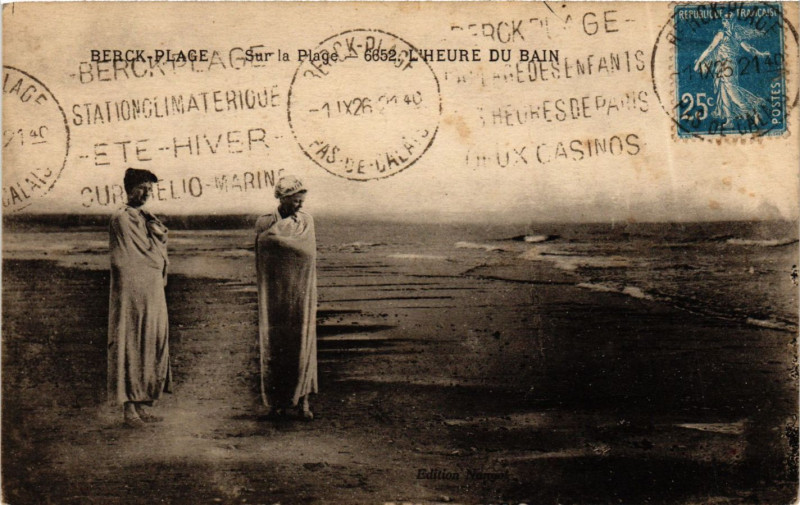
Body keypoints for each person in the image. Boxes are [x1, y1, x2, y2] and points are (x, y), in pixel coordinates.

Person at [108, 168, 171, 428]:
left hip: (152, 289)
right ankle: (129, 409)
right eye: (141, 188)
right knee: (131, 342)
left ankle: (143, 402)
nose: (146, 194)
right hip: (132, 291)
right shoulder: (122, 218)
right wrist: (152, 262)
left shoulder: (146, 216)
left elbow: (157, 247)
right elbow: (129, 257)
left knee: (152, 339)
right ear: (129, 189)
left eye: (149, 189)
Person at [255, 175, 318, 420]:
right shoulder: (264, 222)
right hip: (274, 292)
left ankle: (303, 401)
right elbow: (263, 252)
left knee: (302, 342)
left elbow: (308, 254)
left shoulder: (306, 221)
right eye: (295, 201)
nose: (300, 205)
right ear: (282, 198)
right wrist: (277, 243)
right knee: (276, 344)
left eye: (302, 200)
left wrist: (278, 242)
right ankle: (277, 403)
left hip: (301, 290)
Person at [693, 13, 771, 125]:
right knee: (723, 93)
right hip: (721, 65)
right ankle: (729, 120)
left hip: (728, 65)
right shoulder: (723, 34)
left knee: (732, 91)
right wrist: (699, 62)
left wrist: (761, 54)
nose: (725, 22)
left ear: (732, 22)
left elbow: (749, 48)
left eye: (727, 20)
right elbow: (710, 48)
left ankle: (753, 111)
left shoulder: (733, 35)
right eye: (724, 20)